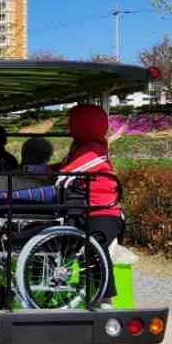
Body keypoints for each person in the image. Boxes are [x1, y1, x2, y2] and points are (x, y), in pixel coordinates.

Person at [55, 104, 122, 301]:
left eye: (72, 122)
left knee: (96, 248)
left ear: (83, 125)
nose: (69, 127)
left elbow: (65, 174)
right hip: (84, 209)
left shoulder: (93, 151)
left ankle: (105, 298)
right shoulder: (80, 149)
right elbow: (63, 167)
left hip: (103, 213)